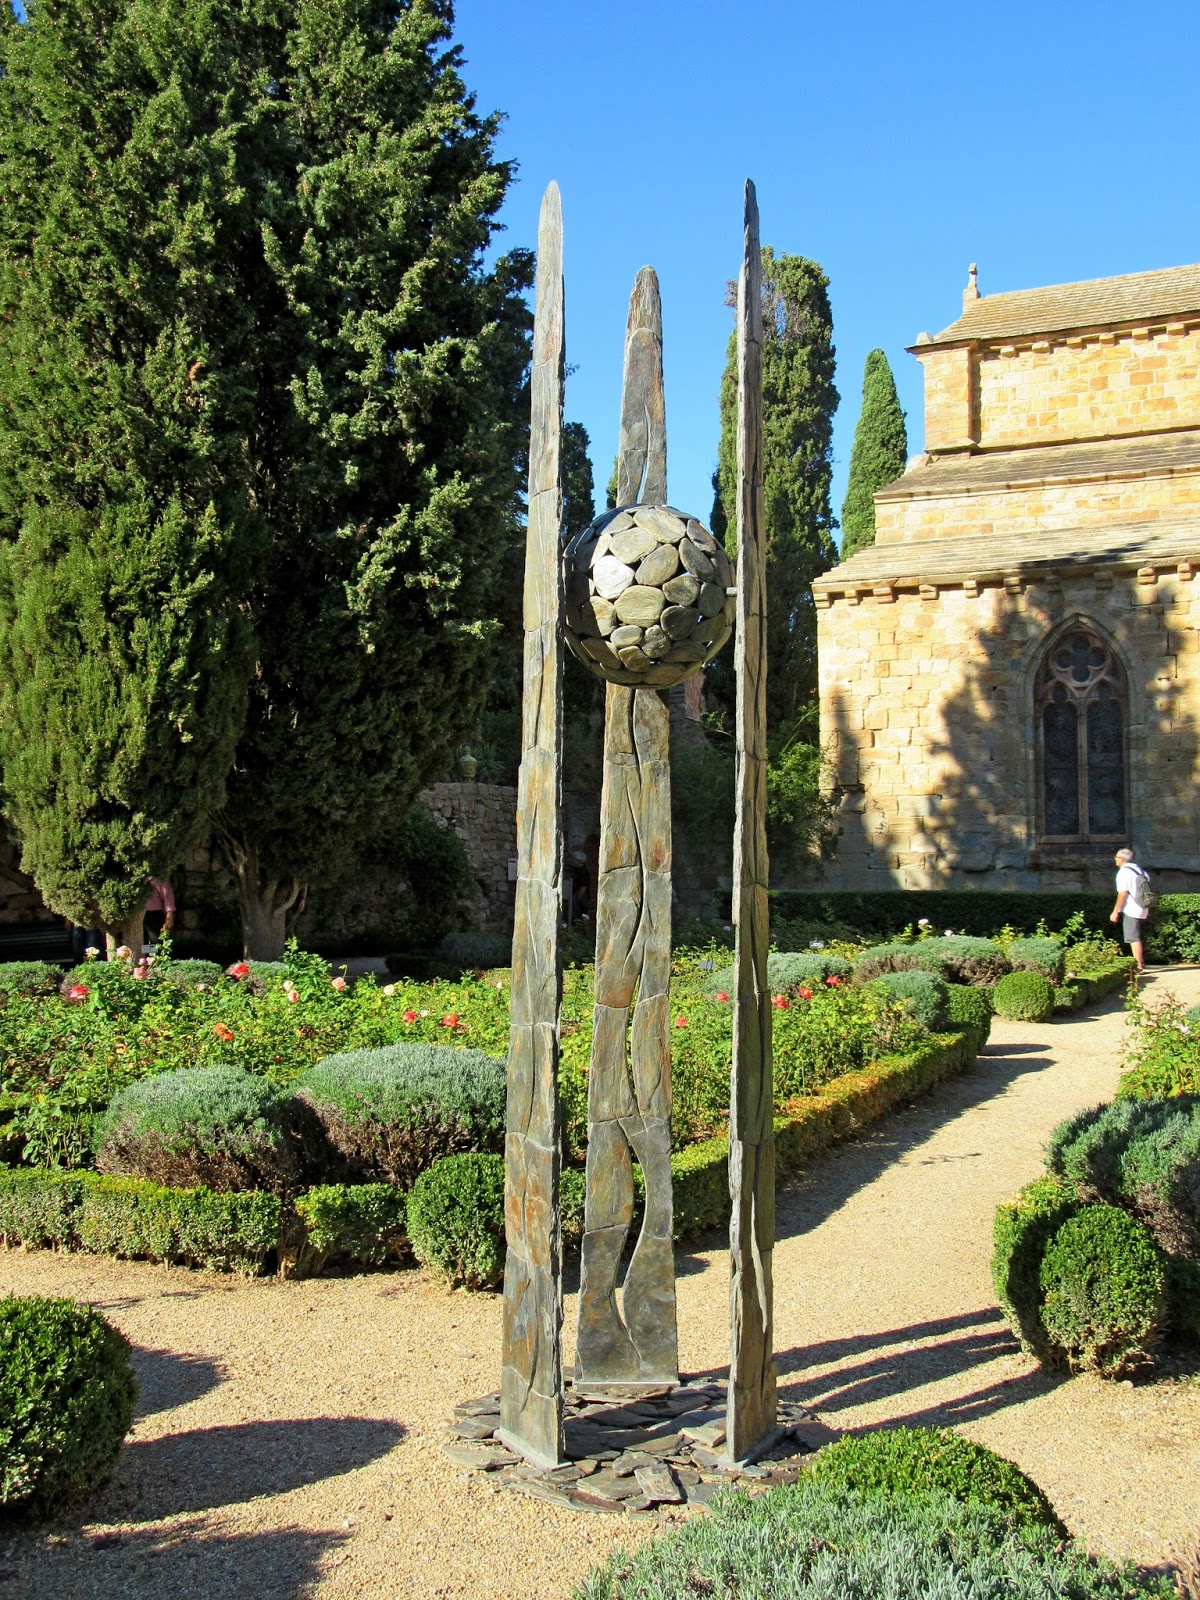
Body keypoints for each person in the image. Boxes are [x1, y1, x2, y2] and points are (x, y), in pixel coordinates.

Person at [1110, 847, 1149, 972]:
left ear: (1122, 859)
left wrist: (1115, 911)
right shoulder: (1139, 870)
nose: (1115, 859)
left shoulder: (1123, 873)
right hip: (1142, 906)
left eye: (1116, 857)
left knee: (1133, 937)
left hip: (1132, 908)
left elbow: (1122, 894)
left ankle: (1138, 966)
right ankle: (1141, 962)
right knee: (1136, 935)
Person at [143, 878, 176, 952]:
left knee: (155, 942)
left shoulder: (158, 877)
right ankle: (145, 957)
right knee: (142, 942)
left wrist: (169, 913)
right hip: (136, 915)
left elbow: (168, 896)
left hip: (153, 914)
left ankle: (154, 957)